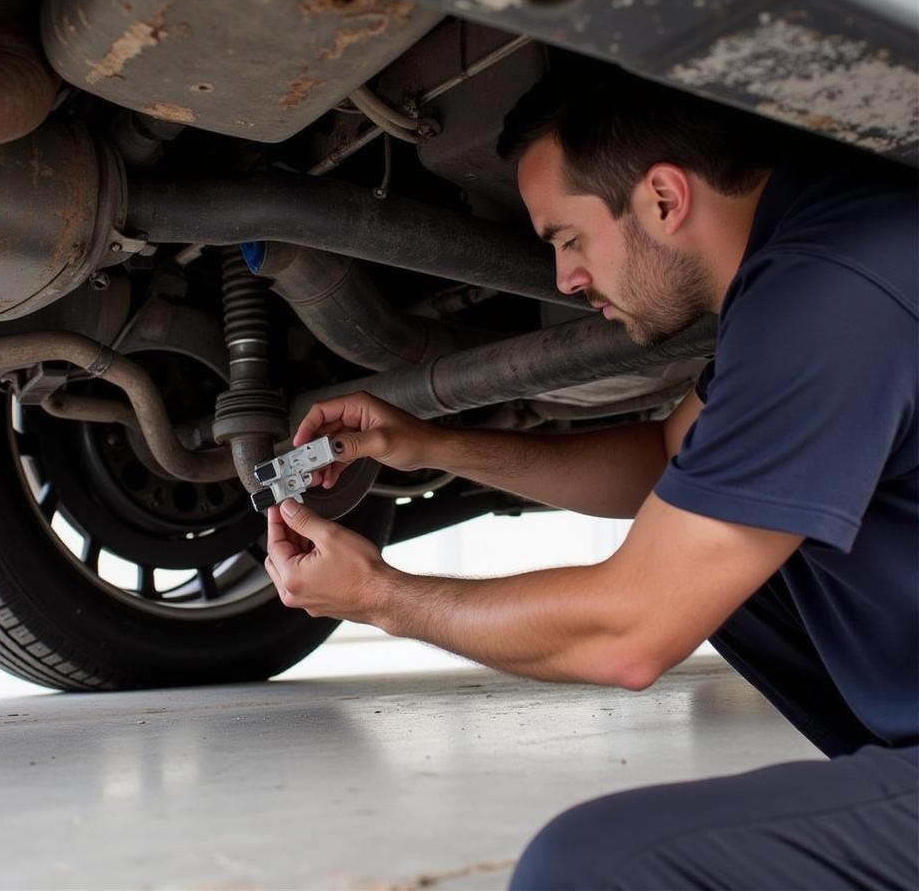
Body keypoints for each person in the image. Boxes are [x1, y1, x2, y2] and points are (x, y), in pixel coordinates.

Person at [263, 69, 918, 890]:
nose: (567, 279)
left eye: (568, 239)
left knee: (591, 865)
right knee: (719, 545)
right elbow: (665, 460)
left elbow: (631, 635)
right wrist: (430, 444)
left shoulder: (830, 293)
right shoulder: (825, 247)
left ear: (664, 199)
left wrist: (383, 598)